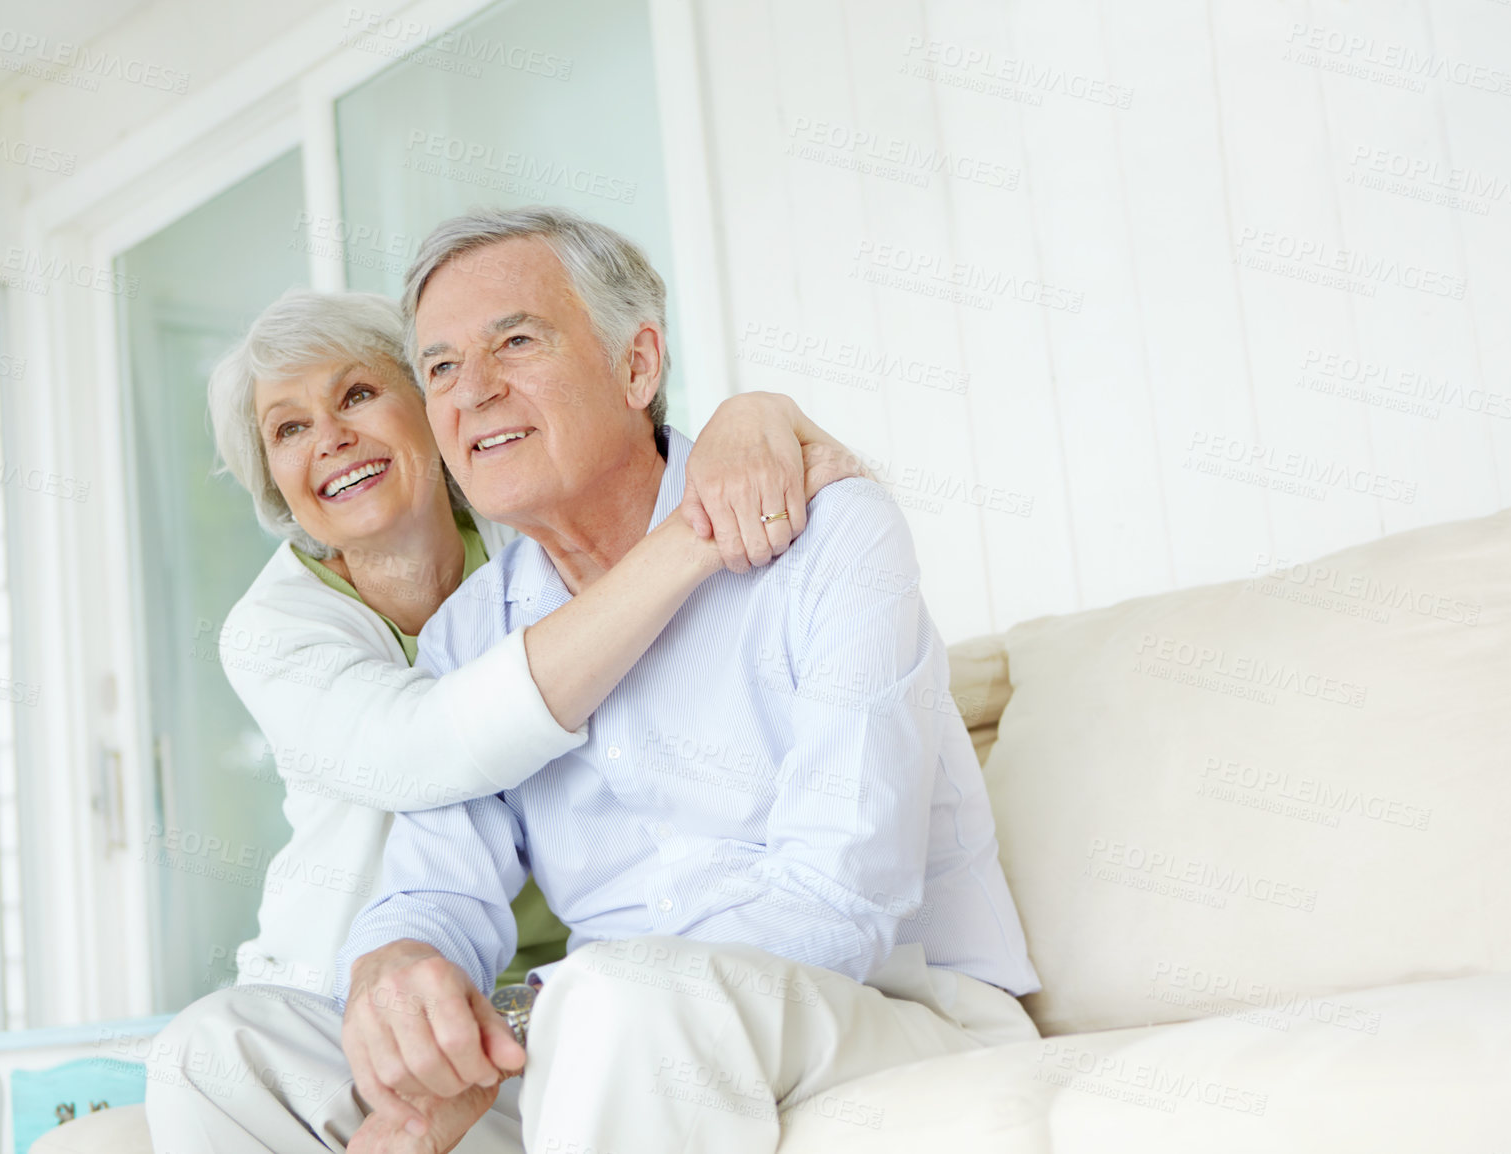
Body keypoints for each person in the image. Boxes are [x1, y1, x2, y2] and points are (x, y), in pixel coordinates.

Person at [145, 207, 1040, 1154]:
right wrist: (402, 975)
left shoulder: (826, 530)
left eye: (516, 342)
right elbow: (437, 882)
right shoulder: (470, 630)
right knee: (215, 1051)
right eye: (442, 366)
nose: (474, 392)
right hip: (604, 1045)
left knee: (618, 998)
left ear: (637, 366)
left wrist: (538, 1020)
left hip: (875, 1010)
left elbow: (843, 894)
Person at [200, 289, 859, 998]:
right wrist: (694, 538)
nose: (329, 438)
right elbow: (427, 749)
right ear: (270, 474)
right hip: (364, 986)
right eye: (288, 429)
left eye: (357, 394)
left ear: (432, 405)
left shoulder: (526, 531)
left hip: (573, 971)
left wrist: (754, 413)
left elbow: (662, 482)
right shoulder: (270, 631)